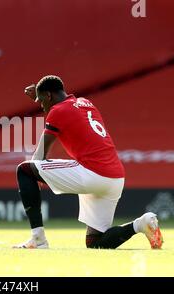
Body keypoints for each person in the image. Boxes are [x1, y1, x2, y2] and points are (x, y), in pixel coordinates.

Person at [13, 75, 163, 249]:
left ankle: (38, 239)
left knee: (24, 169)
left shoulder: (57, 111)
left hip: (92, 173)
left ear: (48, 96)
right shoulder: (86, 103)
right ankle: (140, 224)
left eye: (41, 102)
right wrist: (42, 96)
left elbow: (40, 154)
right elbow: (64, 110)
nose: (41, 107)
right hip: (115, 178)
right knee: (95, 242)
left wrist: (34, 176)